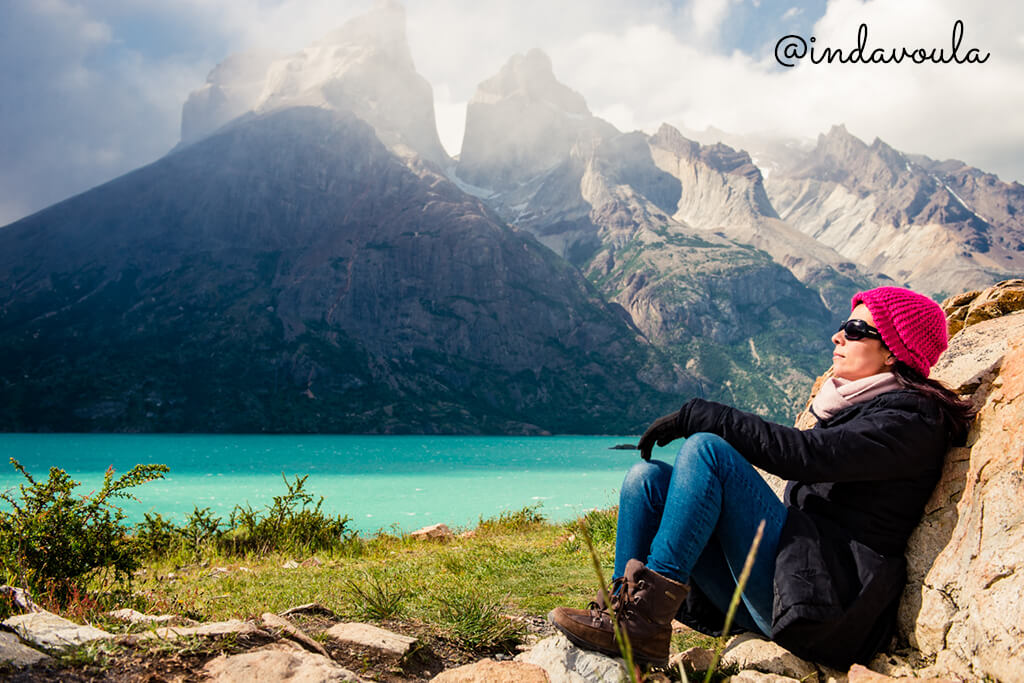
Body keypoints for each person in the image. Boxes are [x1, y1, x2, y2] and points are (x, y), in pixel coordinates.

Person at [549, 286, 975, 668]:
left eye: (855, 327)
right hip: (790, 580)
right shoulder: (862, 409)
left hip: (824, 609)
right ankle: (625, 619)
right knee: (644, 479)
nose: (837, 336)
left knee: (708, 450)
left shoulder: (910, 420)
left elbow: (806, 456)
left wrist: (703, 416)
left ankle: (644, 619)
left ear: (893, 351)